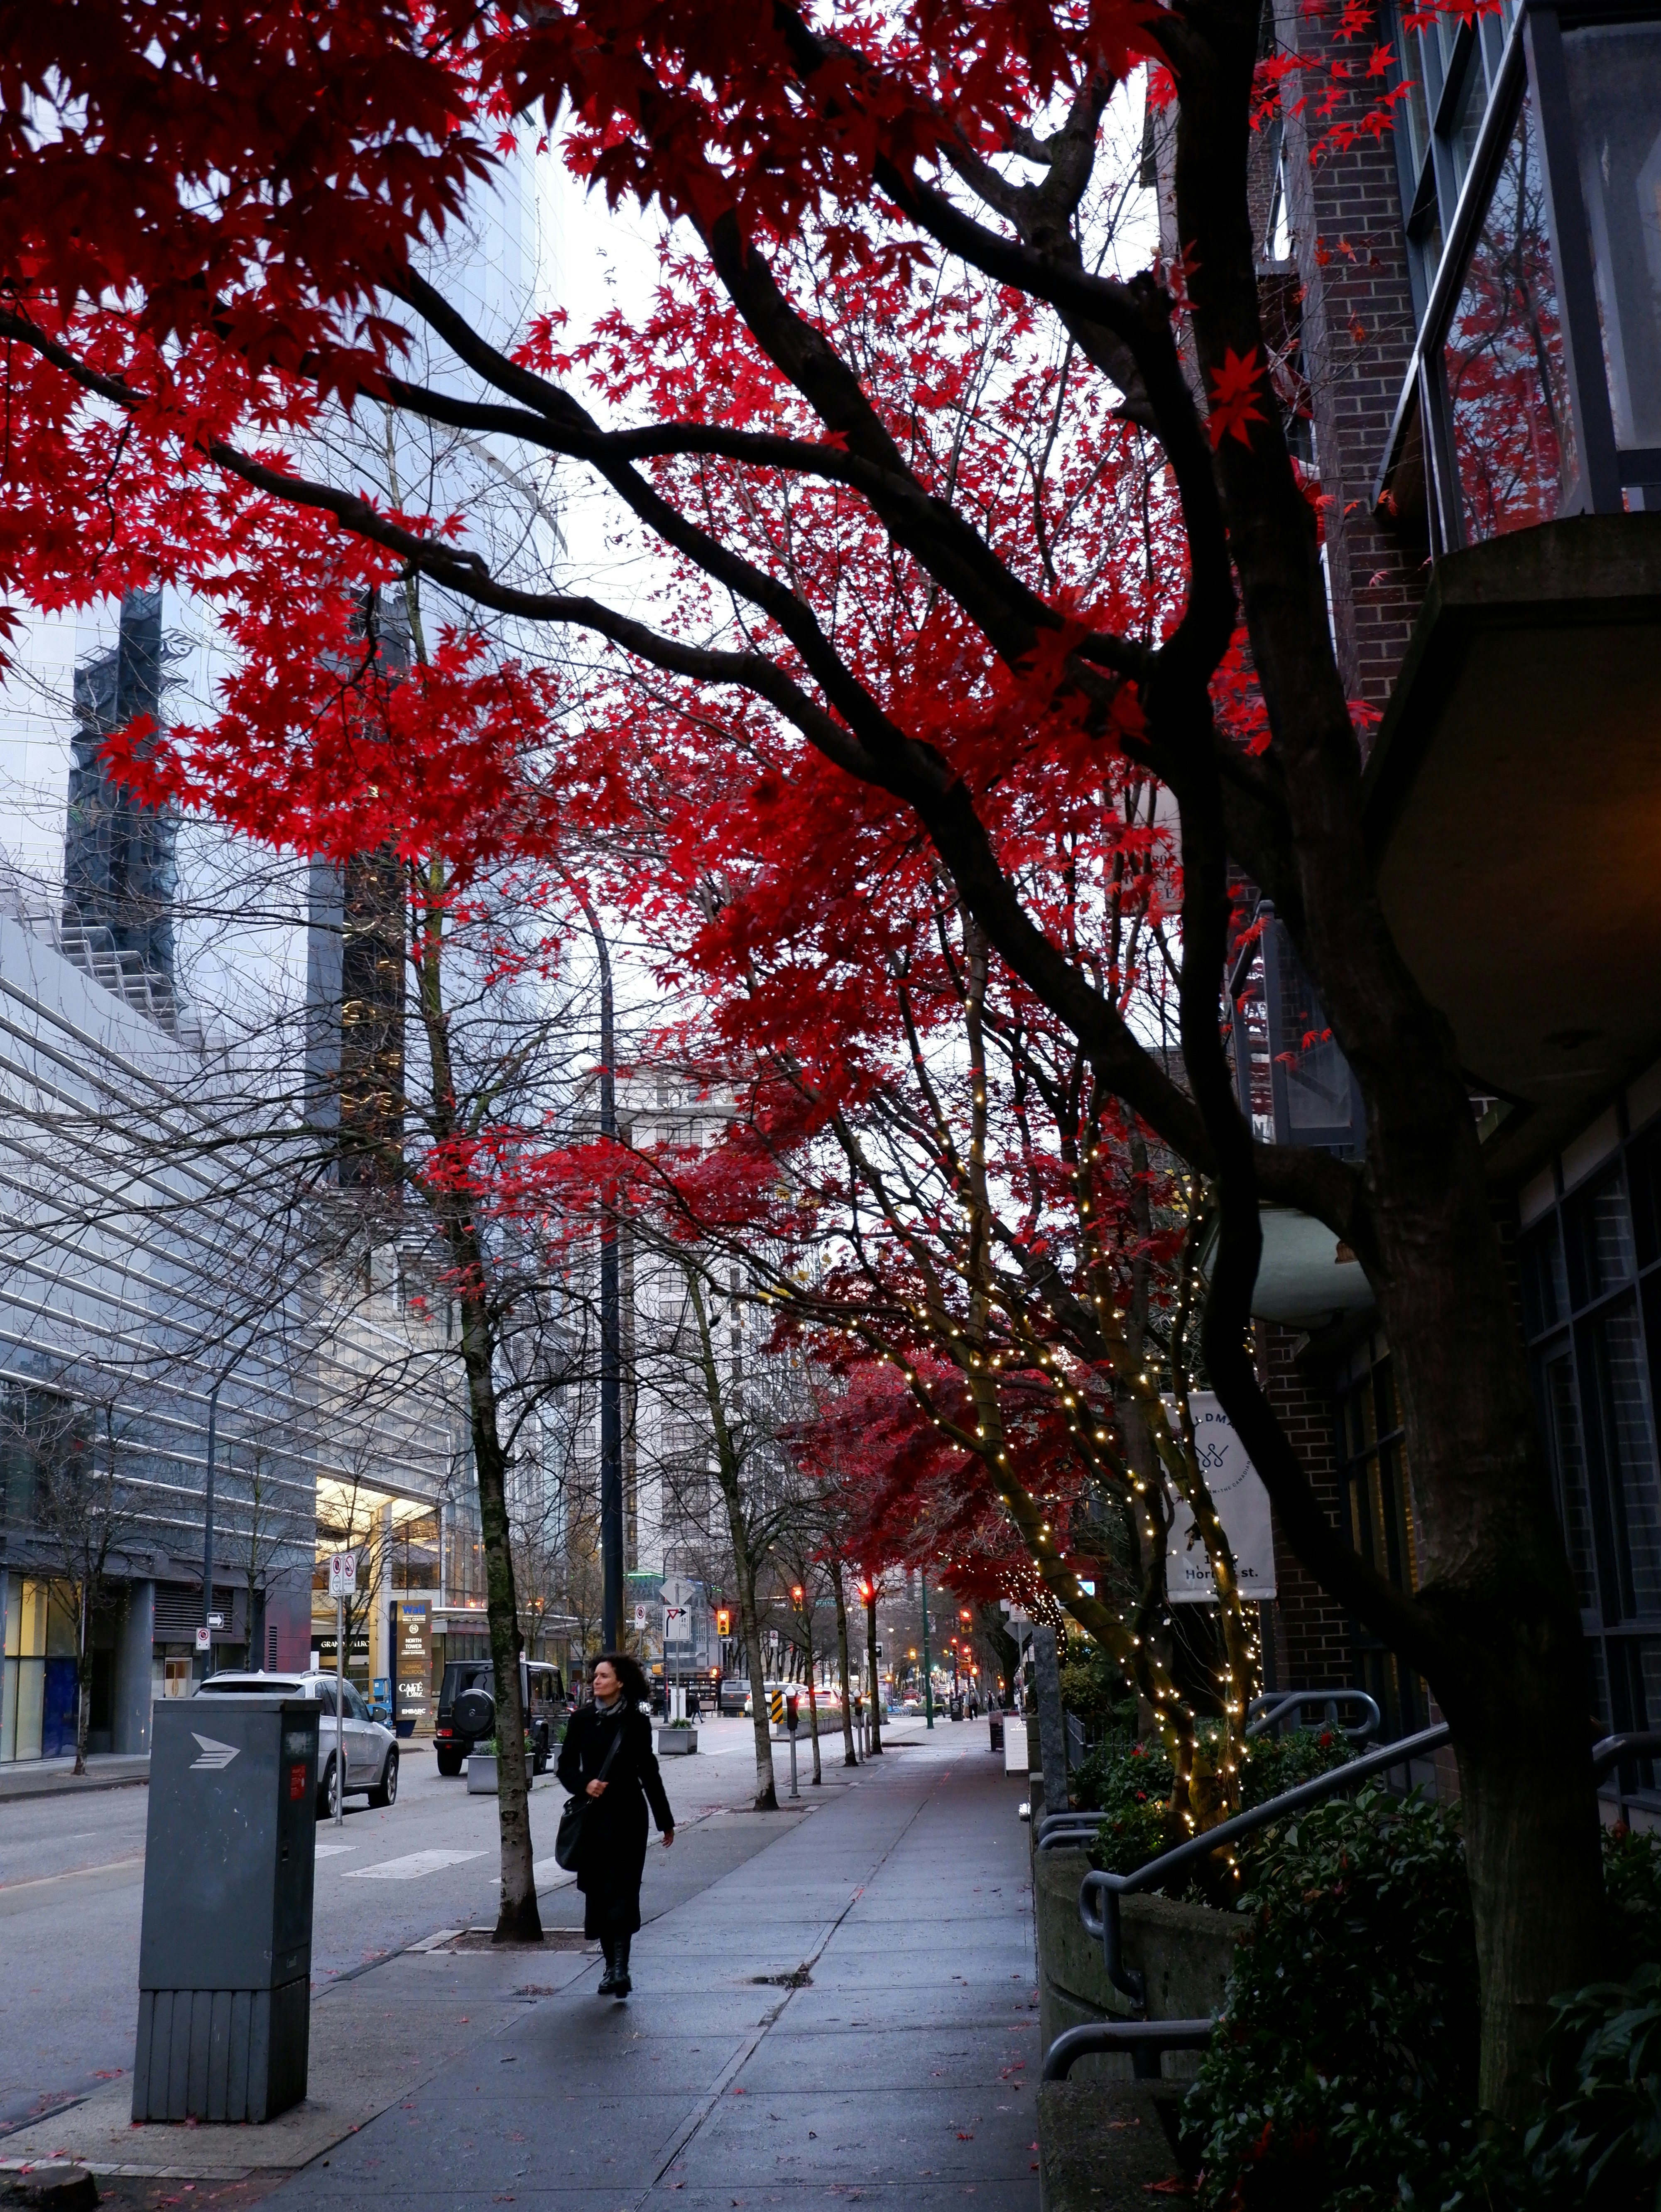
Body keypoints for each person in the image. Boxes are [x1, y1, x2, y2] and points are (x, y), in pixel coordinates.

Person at [556, 1652, 674, 1997]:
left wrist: (664, 1820)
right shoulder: (581, 1720)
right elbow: (564, 1767)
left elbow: (649, 1773)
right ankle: (611, 1968)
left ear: (620, 1682)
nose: (596, 1681)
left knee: (623, 1892)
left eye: (604, 1676)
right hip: (594, 1820)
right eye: (595, 1676)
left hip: (628, 1819)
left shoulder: (636, 1723)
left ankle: (620, 1969)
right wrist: (584, 1784)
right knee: (599, 1895)